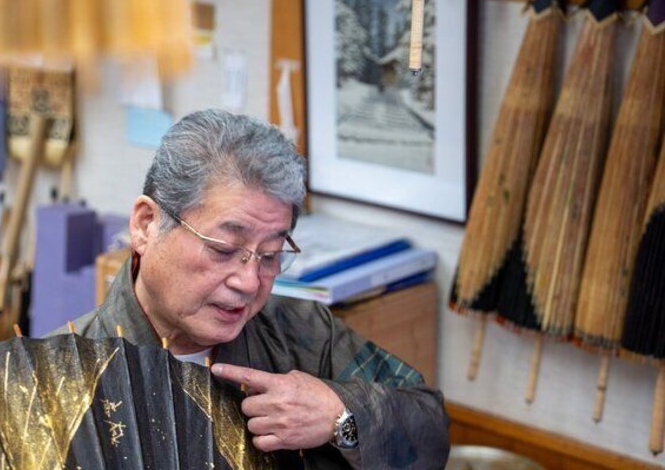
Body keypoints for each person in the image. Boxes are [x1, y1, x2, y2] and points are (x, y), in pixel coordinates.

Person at [62, 109, 449, 468]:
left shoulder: (299, 331)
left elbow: (430, 428)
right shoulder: (61, 375)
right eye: (223, 249)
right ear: (146, 224)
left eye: (270, 255)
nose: (249, 282)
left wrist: (340, 415)